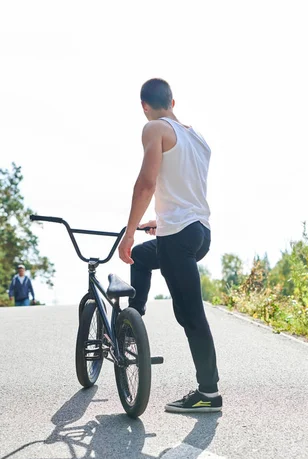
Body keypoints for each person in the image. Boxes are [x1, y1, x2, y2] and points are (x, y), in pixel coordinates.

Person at [118, 78, 221, 414]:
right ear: (172, 101)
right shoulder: (198, 138)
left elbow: (147, 182)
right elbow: (183, 192)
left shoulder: (154, 130)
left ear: (144, 106)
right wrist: (158, 222)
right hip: (199, 232)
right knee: (143, 259)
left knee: (190, 313)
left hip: (178, 236)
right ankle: (134, 322)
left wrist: (130, 231)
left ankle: (208, 392)